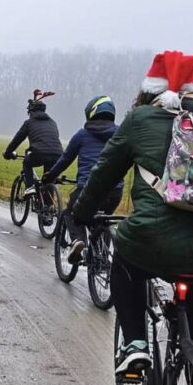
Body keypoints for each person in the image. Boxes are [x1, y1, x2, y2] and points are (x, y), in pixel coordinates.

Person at [71, 51, 193, 374]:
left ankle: (135, 344)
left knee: (125, 260)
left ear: (148, 92)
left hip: (156, 243)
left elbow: (102, 175)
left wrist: (80, 214)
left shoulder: (139, 120)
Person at [42, 95, 124, 264]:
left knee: (70, 212)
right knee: (104, 220)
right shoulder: (121, 134)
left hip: (88, 188)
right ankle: (102, 262)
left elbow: (65, 159)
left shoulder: (82, 135)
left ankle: (78, 241)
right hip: (115, 190)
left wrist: (49, 176)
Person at [3, 89, 63, 197]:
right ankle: (47, 209)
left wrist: (8, 153)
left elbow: (16, 140)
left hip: (39, 153)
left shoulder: (29, 123)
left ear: (31, 111)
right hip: (57, 154)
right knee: (48, 181)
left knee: (27, 162)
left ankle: (29, 187)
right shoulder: (53, 122)